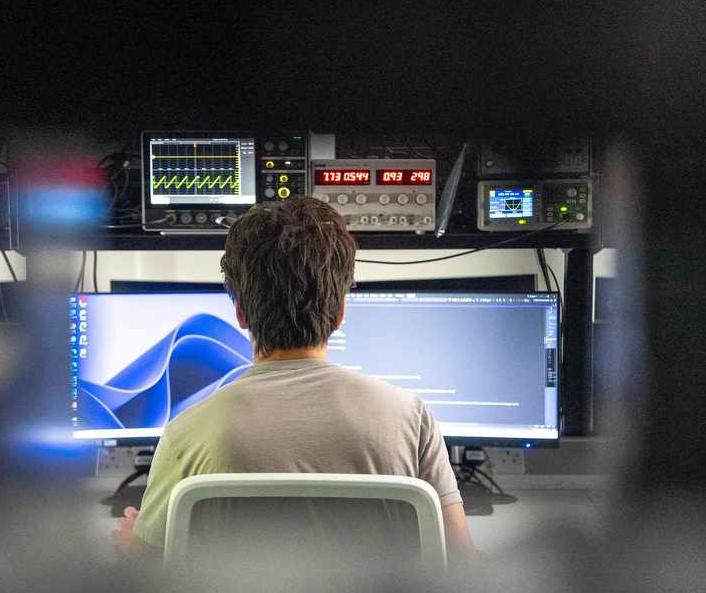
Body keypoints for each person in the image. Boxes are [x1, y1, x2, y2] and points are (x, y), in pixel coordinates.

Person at [113, 197, 475, 567]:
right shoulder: (412, 418)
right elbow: (461, 563)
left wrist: (132, 545)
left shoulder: (185, 433)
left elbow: (150, 573)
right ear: (340, 314)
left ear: (239, 312)